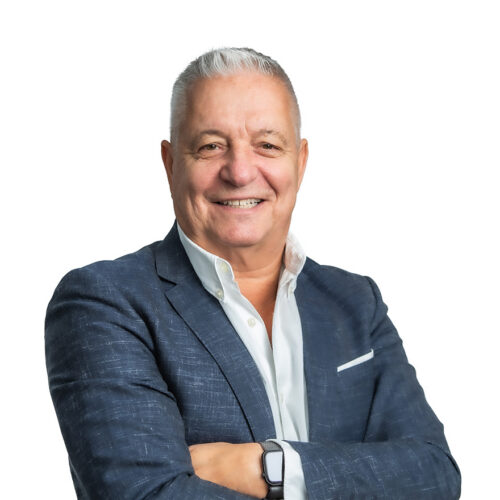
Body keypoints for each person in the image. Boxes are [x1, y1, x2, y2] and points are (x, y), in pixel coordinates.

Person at [45, 47, 461, 499]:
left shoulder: (356, 303)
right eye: (211, 146)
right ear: (170, 164)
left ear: (300, 162)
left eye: (267, 145)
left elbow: (435, 474)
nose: (240, 172)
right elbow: (145, 494)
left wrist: (271, 467)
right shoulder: (104, 304)